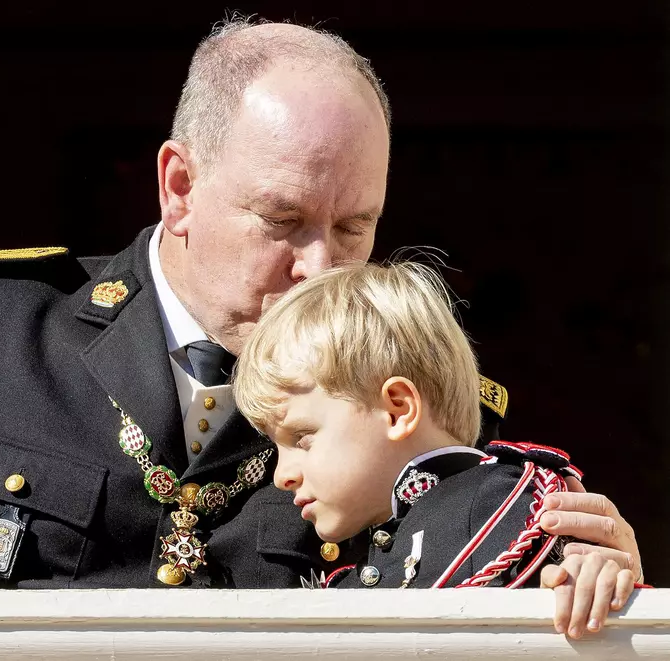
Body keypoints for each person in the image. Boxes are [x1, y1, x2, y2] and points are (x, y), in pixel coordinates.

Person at [0, 18, 641, 590]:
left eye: (354, 227)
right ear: (180, 188)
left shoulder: (408, 405)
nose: (319, 267)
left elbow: (502, 584)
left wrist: (589, 582)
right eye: (283, 221)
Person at [233, 260, 636, 636]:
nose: (281, 475)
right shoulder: (373, 546)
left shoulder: (498, 500)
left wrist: (587, 576)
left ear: (398, 410)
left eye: (302, 439)